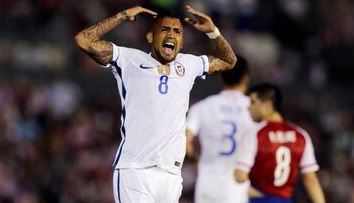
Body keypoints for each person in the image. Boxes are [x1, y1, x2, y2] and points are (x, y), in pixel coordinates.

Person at [75, 5, 237, 203]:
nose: (171, 35)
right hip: (135, 171)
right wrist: (122, 16)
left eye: (177, 31)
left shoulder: (189, 64)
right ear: (150, 37)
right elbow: (83, 40)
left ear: (182, 42)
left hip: (171, 175)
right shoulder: (129, 59)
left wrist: (213, 32)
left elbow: (229, 61)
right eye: (165, 29)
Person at [234, 84, 326, 203]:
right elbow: (310, 180)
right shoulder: (301, 136)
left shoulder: (256, 134)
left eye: (253, 102)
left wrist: (255, 193)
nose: (249, 108)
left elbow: (240, 175)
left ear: (267, 105)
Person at [186, 56, 253, 203]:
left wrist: (197, 160)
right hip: (238, 190)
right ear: (246, 79)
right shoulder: (254, 111)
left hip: (207, 187)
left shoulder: (201, 107)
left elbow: (184, 142)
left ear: (221, 77)